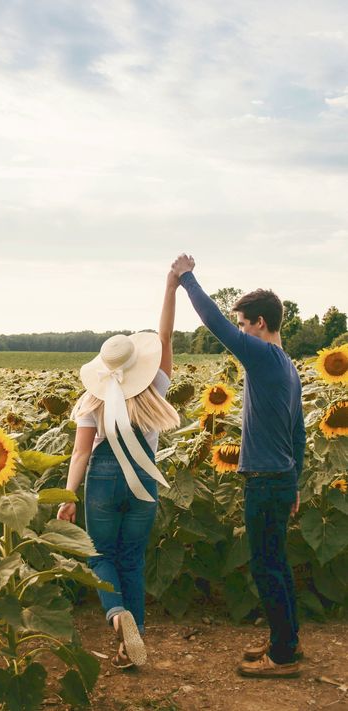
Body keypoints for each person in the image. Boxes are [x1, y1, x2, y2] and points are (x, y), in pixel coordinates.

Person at [171, 253, 305, 679]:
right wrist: (297, 482)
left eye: (246, 324)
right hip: (280, 478)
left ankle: (282, 658)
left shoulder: (263, 357)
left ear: (260, 324)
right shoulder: (289, 367)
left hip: (265, 482)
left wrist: (186, 278)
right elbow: (298, 432)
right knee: (277, 563)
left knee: (266, 566)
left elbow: (215, 323)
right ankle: (286, 641)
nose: (242, 330)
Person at [57, 271, 180, 668]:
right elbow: (166, 339)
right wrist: (170, 287)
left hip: (103, 479)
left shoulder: (91, 399)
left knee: (100, 556)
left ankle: (116, 616)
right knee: (131, 559)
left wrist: (68, 496)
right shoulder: (155, 387)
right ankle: (133, 644)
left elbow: (79, 455)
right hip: (143, 479)